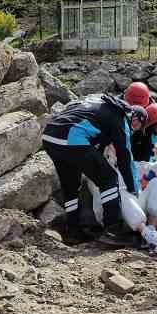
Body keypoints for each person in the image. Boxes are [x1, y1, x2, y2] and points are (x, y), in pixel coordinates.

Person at [41, 94, 144, 245]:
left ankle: (73, 231)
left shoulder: (98, 104)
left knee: (71, 186)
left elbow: (95, 145)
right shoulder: (121, 117)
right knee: (109, 178)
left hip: (50, 136)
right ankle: (112, 230)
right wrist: (132, 187)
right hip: (71, 136)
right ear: (134, 118)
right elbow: (125, 156)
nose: (133, 130)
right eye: (136, 127)